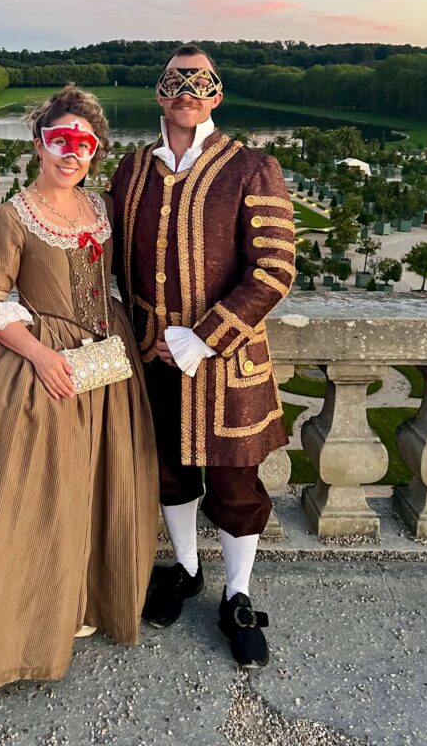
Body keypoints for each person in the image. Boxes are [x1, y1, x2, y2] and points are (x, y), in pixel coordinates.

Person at [0, 85, 158, 705]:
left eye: (84, 144)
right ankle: (17, 626)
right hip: (43, 359)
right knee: (45, 490)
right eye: (60, 140)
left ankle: (85, 599)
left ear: (96, 152)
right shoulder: (7, 218)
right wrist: (44, 358)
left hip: (108, 362)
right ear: (39, 144)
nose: (72, 153)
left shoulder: (102, 208)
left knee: (96, 483)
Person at [105, 45, 295, 668]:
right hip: (152, 358)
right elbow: (99, 252)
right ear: (159, 93)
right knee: (170, 472)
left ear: (217, 94)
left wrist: (205, 336)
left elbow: (274, 270)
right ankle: (186, 569)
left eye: (200, 81)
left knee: (236, 484)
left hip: (226, 364)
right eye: (175, 81)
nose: (186, 92)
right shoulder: (131, 170)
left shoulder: (253, 168)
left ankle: (238, 594)